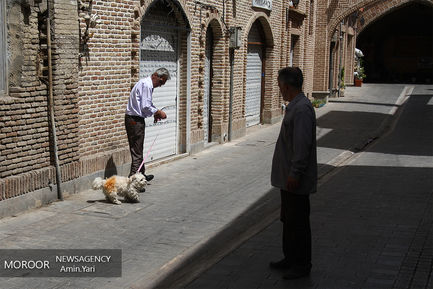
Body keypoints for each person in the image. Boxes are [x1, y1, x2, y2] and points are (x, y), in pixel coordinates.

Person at [269, 67, 317, 279]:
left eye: (280, 86)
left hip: (295, 180)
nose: (280, 90)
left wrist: (295, 174)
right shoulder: (295, 106)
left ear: (287, 86)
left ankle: (301, 264)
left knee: (298, 223)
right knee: (288, 220)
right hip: (287, 178)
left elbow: (302, 145)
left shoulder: (302, 109)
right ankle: (289, 258)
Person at [125, 68, 169, 180]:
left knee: (138, 148)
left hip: (135, 119)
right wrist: (159, 112)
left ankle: (141, 175)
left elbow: (146, 104)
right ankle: (133, 180)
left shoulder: (145, 83)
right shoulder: (147, 85)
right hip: (135, 120)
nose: (160, 85)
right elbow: (146, 106)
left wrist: (155, 113)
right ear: (155, 76)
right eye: (160, 82)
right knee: (137, 151)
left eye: (162, 84)